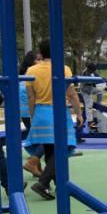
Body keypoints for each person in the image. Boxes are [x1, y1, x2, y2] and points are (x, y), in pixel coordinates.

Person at [25, 39, 83, 201]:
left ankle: (60, 185)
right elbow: (71, 94)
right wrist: (79, 113)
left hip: (40, 112)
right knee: (62, 149)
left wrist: (33, 115)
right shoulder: (63, 69)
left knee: (50, 150)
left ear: (41, 53)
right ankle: (43, 182)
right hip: (58, 111)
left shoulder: (31, 70)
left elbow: (31, 97)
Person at [19, 51, 44, 178]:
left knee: (37, 139)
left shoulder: (24, 75)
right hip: (30, 111)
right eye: (38, 59)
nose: (40, 61)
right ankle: (32, 163)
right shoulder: (32, 74)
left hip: (26, 112)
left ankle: (37, 168)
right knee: (45, 139)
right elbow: (31, 95)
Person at [79, 61, 103, 132]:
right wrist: (95, 81)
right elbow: (88, 82)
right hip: (85, 91)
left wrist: (103, 79)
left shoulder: (92, 71)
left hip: (90, 89)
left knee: (100, 92)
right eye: (92, 70)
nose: (93, 72)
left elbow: (98, 76)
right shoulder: (85, 72)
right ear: (89, 69)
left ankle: (99, 105)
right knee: (89, 106)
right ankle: (90, 122)